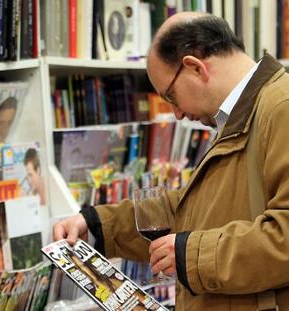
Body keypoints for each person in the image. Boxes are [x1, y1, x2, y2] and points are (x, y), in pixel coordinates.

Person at [53, 11, 289, 310]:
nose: (176, 114)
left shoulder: (280, 108)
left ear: (194, 67)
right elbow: (198, 209)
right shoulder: (241, 115)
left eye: (172, 96)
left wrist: (189, 255)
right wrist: (99, 225)